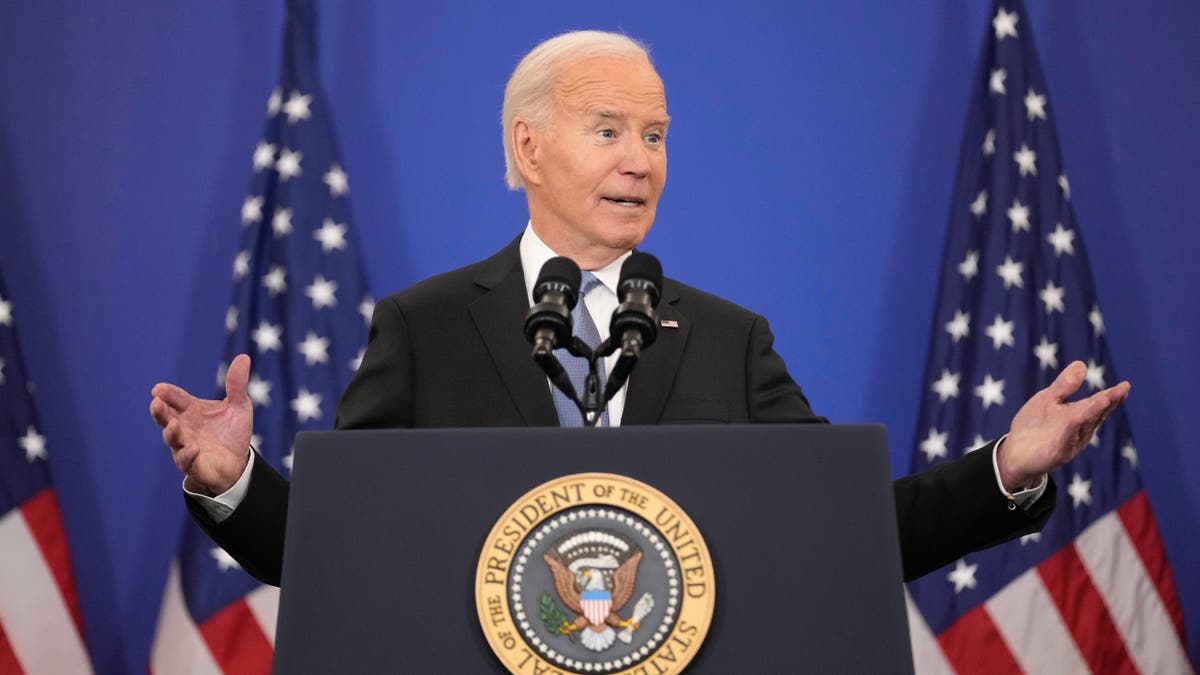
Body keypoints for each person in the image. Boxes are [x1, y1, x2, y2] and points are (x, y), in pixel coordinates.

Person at [149, 31, 1129, 587]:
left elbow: (850, 528)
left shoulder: (727, 339)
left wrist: (1006, 468)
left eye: (656, 133)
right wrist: (237, 483)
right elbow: (340, 548)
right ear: (529, 150)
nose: (640, 159)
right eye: (609, 129)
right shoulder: (425, 327)